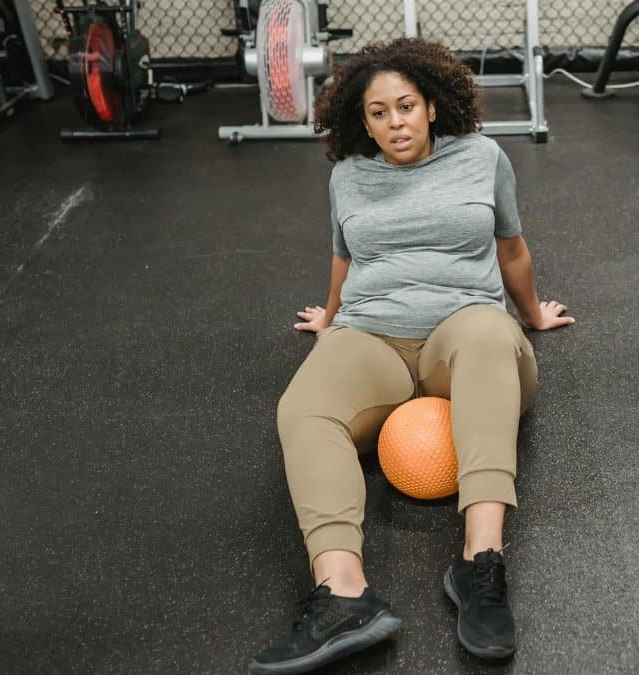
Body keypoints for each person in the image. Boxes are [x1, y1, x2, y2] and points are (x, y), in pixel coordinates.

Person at [250, 38, 574, 674]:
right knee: (302, 408)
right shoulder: (348, 176)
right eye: (378, 113)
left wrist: (532, 314)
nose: (394, 123)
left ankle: (481, 566)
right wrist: (332, 317)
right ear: (361, 121)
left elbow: (511, 248)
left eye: (405, 106)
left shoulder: (482, 158)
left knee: (486, 338)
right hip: (373, 334)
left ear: (431, 105)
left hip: (466, 330)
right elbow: (345, 257)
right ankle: (343, 593)